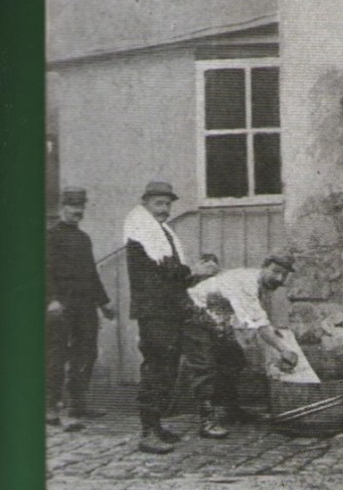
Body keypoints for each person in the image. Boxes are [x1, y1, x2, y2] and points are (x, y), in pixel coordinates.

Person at [123, 181, 217, 454]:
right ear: (145, 203)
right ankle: (148, 432)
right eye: (158, 204)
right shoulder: (142, 231)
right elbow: (166, 274)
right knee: (157, 369)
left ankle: (156, 425)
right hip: (154, 313)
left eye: (167, 204)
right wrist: (193, 271)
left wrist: (193, 275)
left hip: (167, 311)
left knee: (167, 370)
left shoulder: (160, 233)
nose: (164, 209)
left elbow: (175, 277)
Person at [185, 255, 301, 438]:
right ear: (263, 267)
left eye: (284, 275)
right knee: (204, 366)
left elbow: (246, 319)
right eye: (276, 272)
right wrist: (284, 350)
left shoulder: (257, 285)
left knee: (233, 359)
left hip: (215, 318)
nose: (279, 279)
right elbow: (259, 322)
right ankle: (207, 421)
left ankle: (230, 410)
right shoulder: (247, 281)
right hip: (194, 314)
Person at [46, 187, 115, 430]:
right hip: (61, 305)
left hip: (85, 304)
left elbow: (91, 273)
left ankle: (78, 403)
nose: (78, 211)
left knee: (86, 352)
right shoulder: (50, 236)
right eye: (73, 206)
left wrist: (104, 302)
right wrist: (51, 300)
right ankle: (51, 407)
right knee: (57, 355)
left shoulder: (83, 238)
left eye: (81, 207)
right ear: (62, 207)